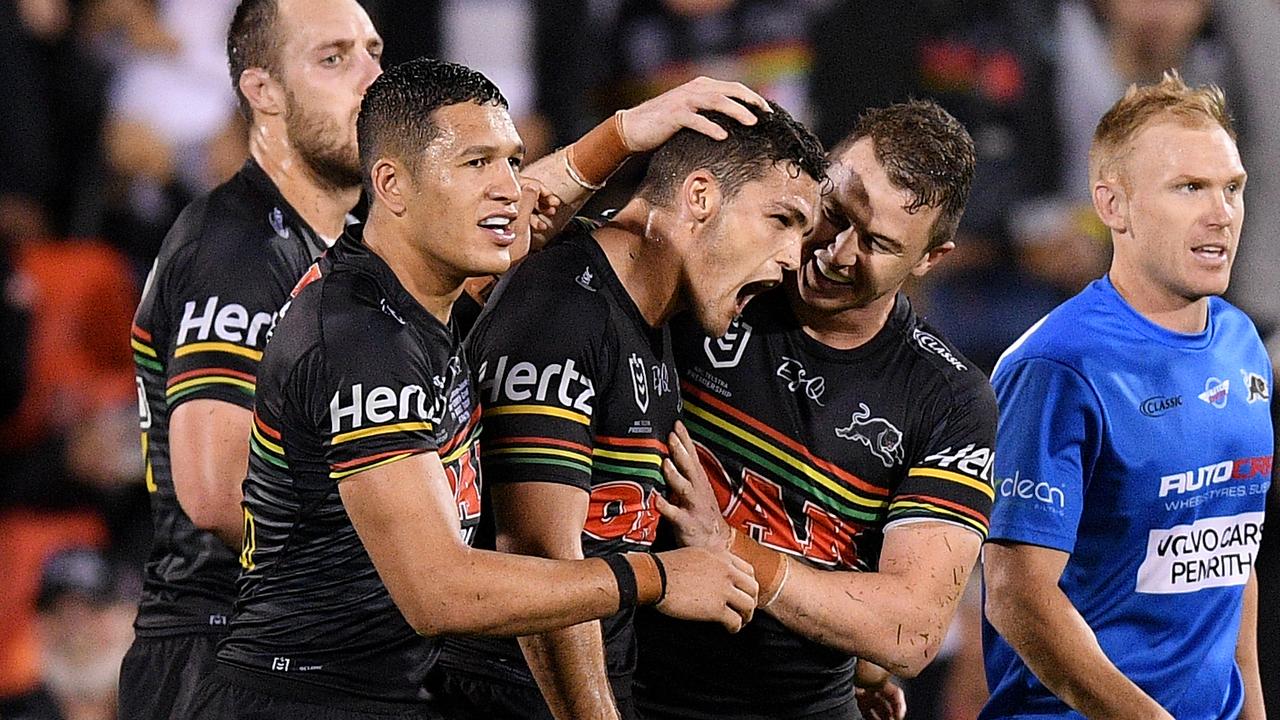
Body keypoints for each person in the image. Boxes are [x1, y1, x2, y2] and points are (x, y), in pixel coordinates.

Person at [122, 0, 792, 716]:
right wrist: (654, 577)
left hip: (372, 688)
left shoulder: (410, 289)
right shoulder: (355, 332)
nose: (510, 185)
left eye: (509, 160)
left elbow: (523, 205)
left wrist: (625, 133)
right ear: (393, 188)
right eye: (479, 164)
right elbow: (437, 588)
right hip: (289, 686)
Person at [430, 91, 828, 719]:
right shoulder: (562, 305)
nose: (790, 261)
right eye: (783, 220)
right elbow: (538, 556)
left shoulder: (657, 317)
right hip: (505, 695)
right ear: (699, 197)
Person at [630, 99, 994, 720]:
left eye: (877, 242)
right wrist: (617, 136)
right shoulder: (711, 278)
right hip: (637, 687)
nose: (835, 252)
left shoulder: (950, 399)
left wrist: (731, 547)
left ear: (930, 259)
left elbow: (910, 632)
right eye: (835, 214)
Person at [981, 71, 1269, 720]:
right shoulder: (1056, 365)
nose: (1220, 213)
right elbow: (1017, 595)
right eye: (1189, 188)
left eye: (1232, 188)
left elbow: (1230, 551)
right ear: (1113, 206)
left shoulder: (1242, 342)